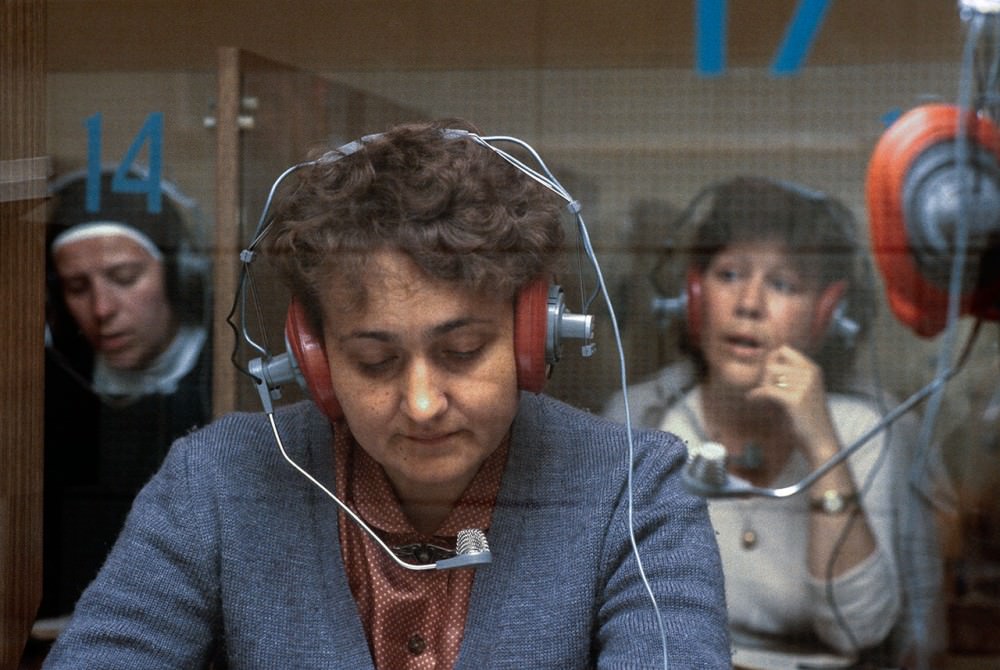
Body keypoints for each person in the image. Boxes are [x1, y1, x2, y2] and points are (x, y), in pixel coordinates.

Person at [42, 120, 729, 668]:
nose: (423, 402)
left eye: (462, 352)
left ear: (531, 339)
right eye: (374, 360)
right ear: (313, 360)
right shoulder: (215, 482)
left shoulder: (635, 489)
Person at [604, 176, 950, 664]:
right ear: (695, 296)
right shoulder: (641, 422)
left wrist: (823, 446)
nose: (749, 304)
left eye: (782, 284)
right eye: (729, 275)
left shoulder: (864, 430)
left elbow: (858, 630)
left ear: (826, 314)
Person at [39, 167, 212, 627]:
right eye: (78, 288)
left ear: (180, 275)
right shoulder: (47, 390)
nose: (101, 309)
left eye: (125, 276)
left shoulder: (228, 376)